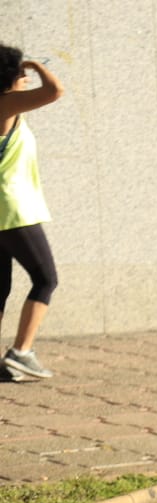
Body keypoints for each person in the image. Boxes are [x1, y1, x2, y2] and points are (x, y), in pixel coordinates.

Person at [0, 45, 62, 382]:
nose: (25, 78)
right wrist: (37, 65)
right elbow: (54, 91)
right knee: (45, 278)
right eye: (20, 74)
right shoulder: (6, 103)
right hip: (12, 210)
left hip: (4, 210)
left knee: (0, 287)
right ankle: (21, 352)